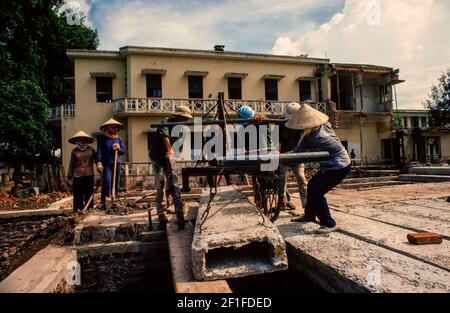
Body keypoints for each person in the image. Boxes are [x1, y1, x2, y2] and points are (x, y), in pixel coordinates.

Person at [287, 103, 351, 234]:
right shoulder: (323, 125)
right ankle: (309, 215)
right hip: (331, 164)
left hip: (339, 166)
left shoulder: (315, 138)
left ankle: (329, 223)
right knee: (312, 185)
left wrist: (283, 156)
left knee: (317, 191)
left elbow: (297, 153)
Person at [149, 105, 193, 229]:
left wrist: (174, 154)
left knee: (171, 181)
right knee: (161, 182)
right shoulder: (166, 122)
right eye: (184, 118)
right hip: (157, 157)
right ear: (178, 116)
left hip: (169, 157)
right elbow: (165, 137)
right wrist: (169, 150)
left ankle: (170, 206)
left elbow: (179, 144)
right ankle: (161, 212)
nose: (185, 121)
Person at [279, 102, 308, 211]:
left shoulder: (301, 125)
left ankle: (306, 206)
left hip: (297, 155)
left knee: (302, 180)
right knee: (281, 181)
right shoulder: (280, 123)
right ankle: (284, 202)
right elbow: (276, 140)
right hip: (284, 155)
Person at [96, 119, 125, 208]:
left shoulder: (119, 139)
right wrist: (99, 162)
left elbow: (123, 152)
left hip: (117, 162)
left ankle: (115, 197)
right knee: (107, 181)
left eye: (115, 127)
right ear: (107, 127)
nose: (114, 128)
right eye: (112, 127)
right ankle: (104, 200)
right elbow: (99, 151)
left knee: (116, 181)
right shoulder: (103, 139)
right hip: (107, 163)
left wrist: (118, 148)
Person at [67, 131, 97, 213]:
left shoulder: (91, 150)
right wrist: (69, 176)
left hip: (89, 174)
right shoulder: (74, 151)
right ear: (76, 141)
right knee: (78, 194)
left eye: (83, 139)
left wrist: (100, 166)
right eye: (79, 139)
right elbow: (71, 164)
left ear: (86, 140)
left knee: (89, 192)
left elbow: (97, 160)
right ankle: (77, 209)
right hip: (77, 175)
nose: (81, 141)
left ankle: (89, 208)